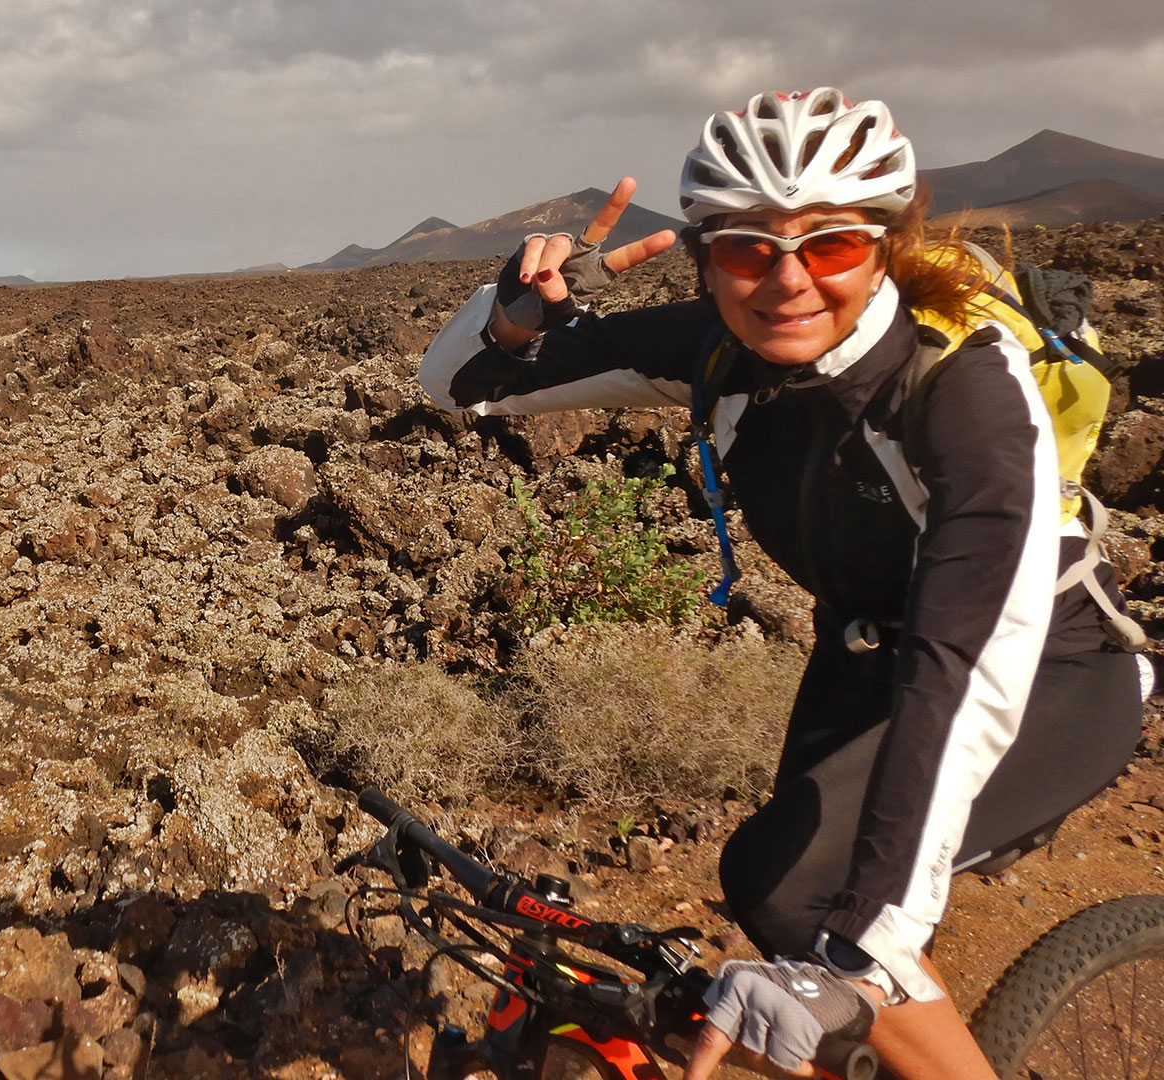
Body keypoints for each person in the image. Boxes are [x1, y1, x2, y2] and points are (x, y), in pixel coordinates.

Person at [419, 87, 1153, 1080]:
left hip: (1043, 672)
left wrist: (861, 959)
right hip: (862, 658)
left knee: (800, 895)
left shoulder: (963, 387)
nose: (790, 282)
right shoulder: (718, 349)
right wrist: (515, 315)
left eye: (834, 246)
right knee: (815, 924)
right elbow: (465, 387)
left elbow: (968, 663)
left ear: (886, 244)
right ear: (707, 254)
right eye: (749, 250)